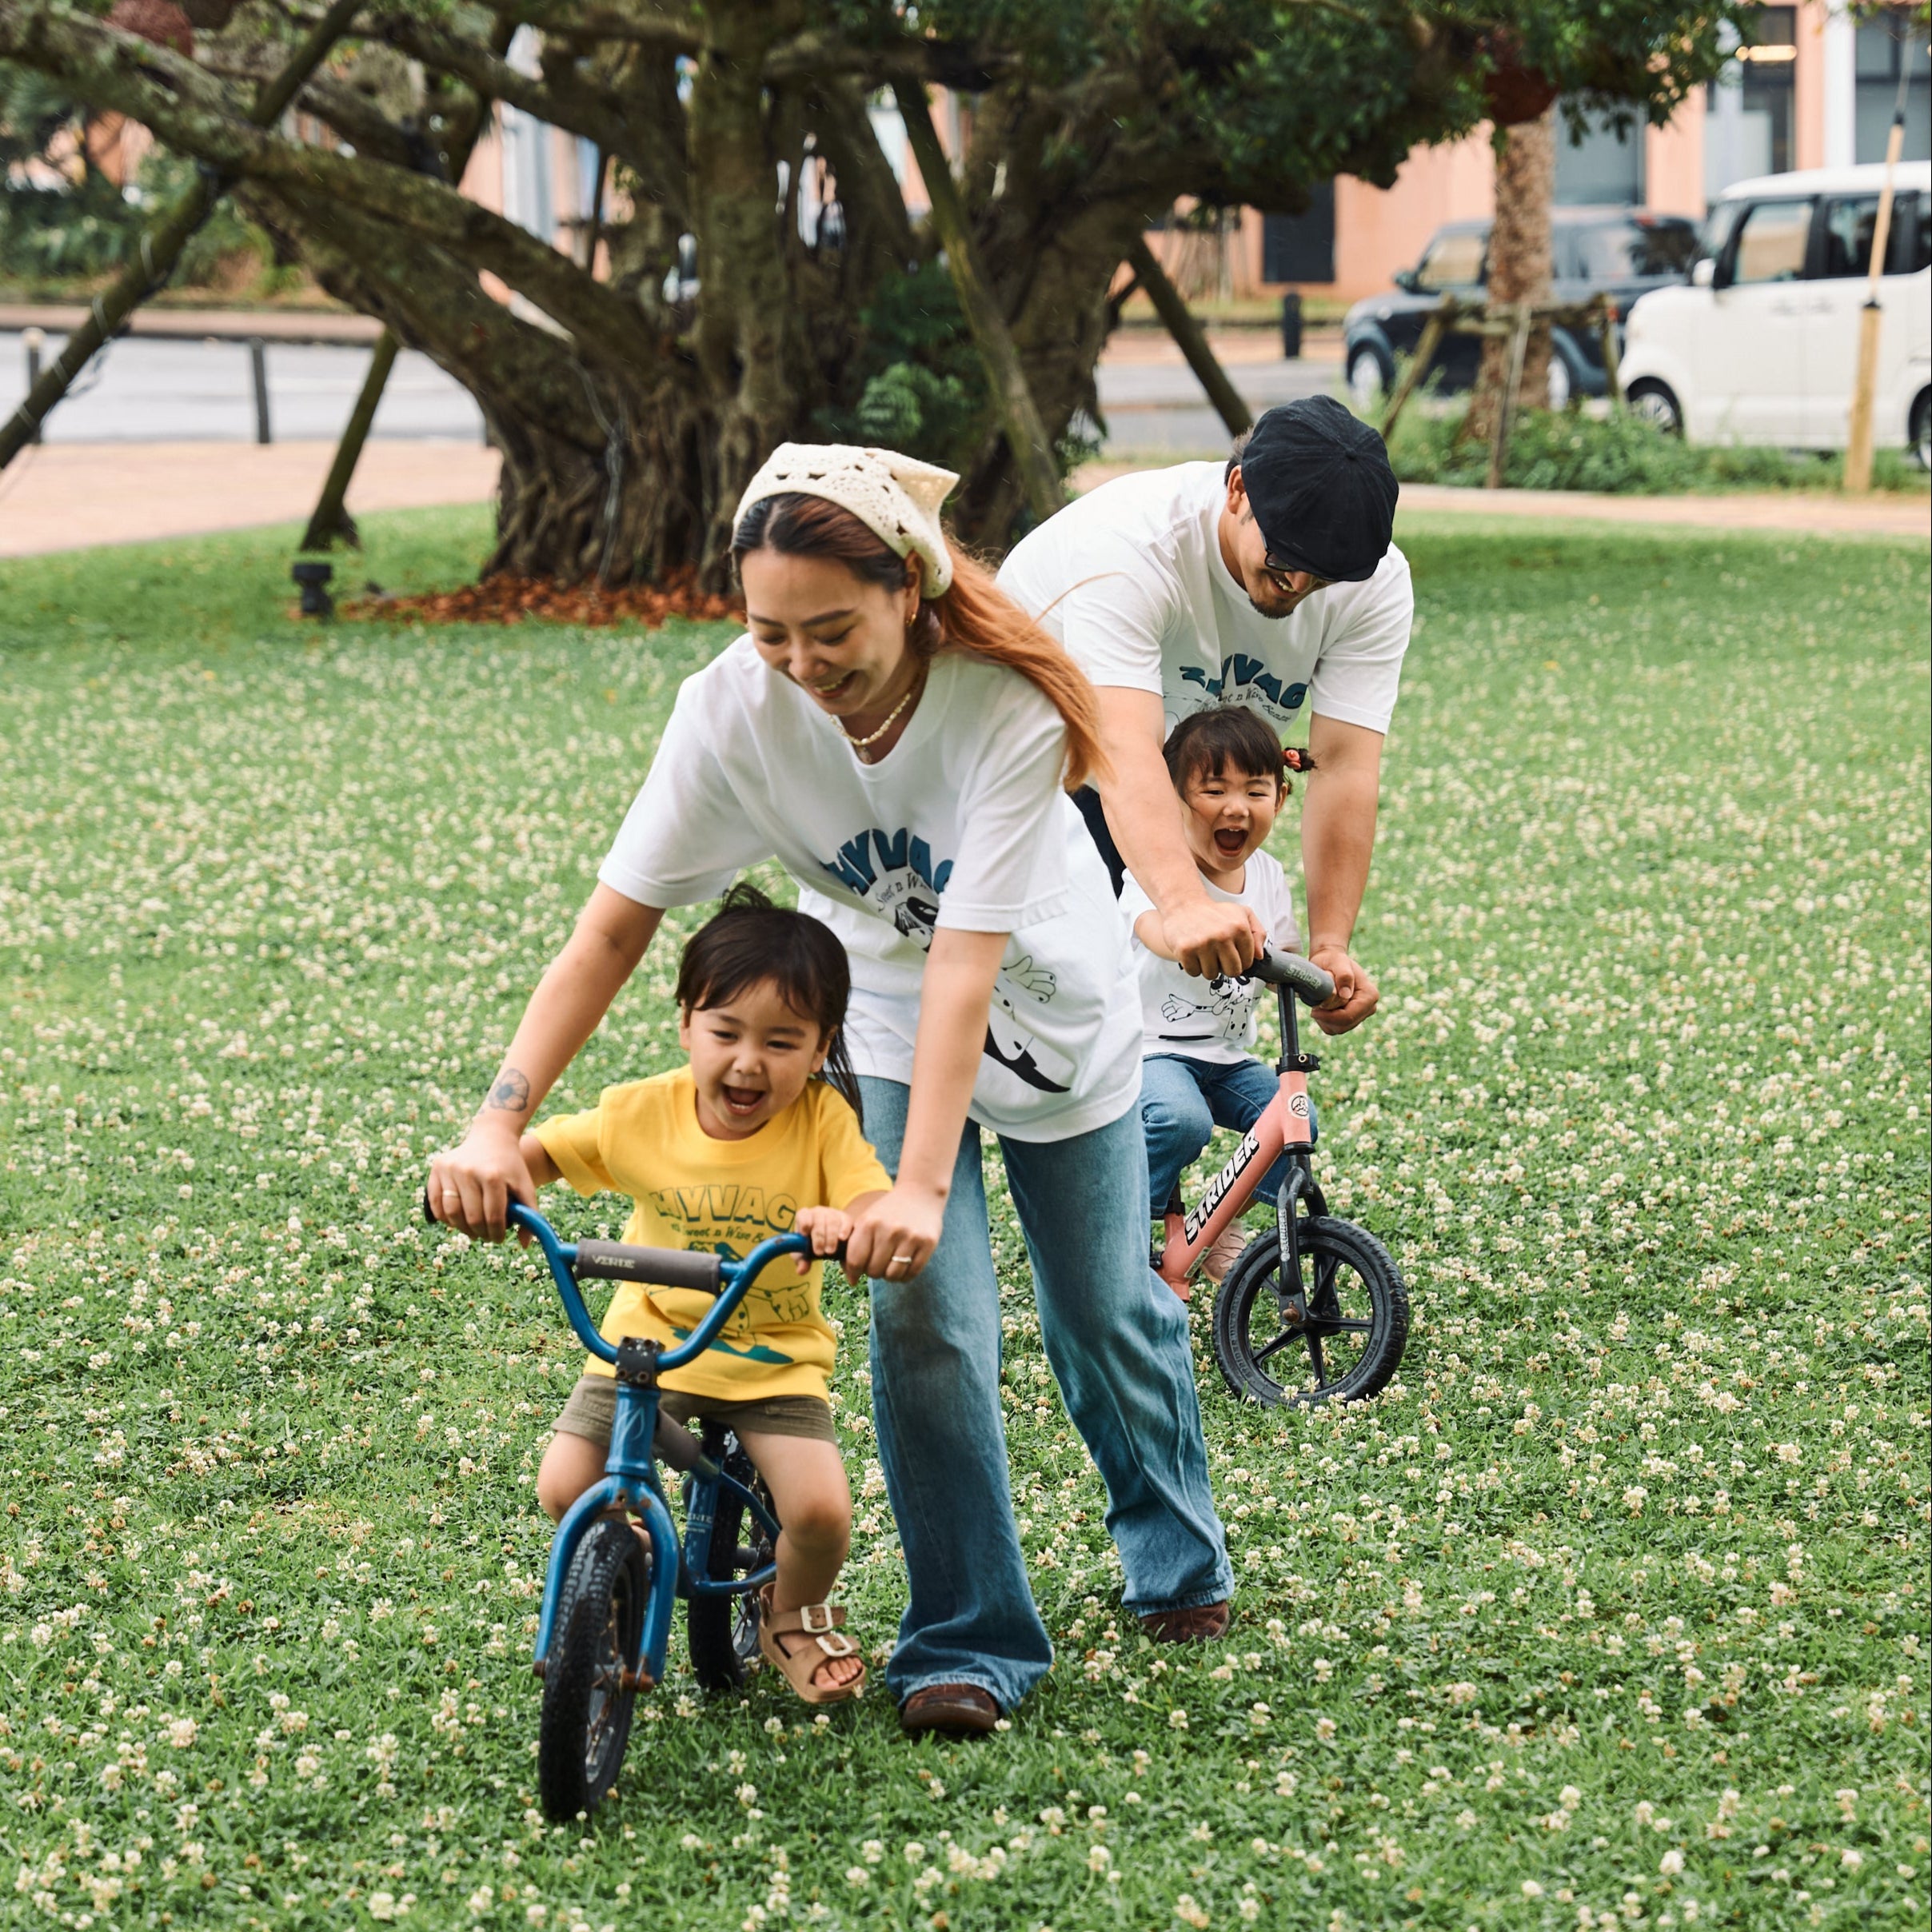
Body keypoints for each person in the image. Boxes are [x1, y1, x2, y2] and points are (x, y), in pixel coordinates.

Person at [426, 443, 1231, 1740]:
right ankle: (968, 1638)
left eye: (833, 630)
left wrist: (919, 1182)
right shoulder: (732, 711)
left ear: (910, 588)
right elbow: (611, 933)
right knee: (928, 1318)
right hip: (889, 1011)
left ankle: (1176, 1559)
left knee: (1102, 1316)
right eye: (769, 631)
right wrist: (500, 1115)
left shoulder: (1002, 704)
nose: (801, 664)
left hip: (1052, 1012)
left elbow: (972, 958)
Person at [523, 885, 890, 1704]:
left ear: (822, 1046)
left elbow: (869, 1196)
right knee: (566, 1484)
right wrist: (498, 1177)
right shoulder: (641, 1113)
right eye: (725, 1032)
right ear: (686, 1023)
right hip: (651, 1343)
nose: (748, 1061)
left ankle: (787, 1610)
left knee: (822, 1511)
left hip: (771, 1359)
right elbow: (540, 1150)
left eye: (783, 1041)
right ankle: (621, 1574)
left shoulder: (823, 1122)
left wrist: (853, 1222)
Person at [997, 394, 1410, 1037]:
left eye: (1322, 577)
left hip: (1171, 773)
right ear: (1238, 489)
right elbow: (1123, 750)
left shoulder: (1375, 583)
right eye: (1284, 561)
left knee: (1150, 1032)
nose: (1298, 587)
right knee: (1062, 1013)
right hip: (1032, 755)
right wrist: (1183, 903)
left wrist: (1330, 945)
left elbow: (1344, 766)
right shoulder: (1134, 547)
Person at [1124, 708, 1303, 1284]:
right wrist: (1186, 930)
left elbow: (1288, 959)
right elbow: (1151, 928)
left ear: (1280, 798)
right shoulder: (1152, 870)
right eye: (1214, 789)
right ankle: (1114, 1227)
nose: (1236, 807)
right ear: (1172, 801)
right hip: (1153, 1049)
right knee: (1181, 1120)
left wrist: (1320, 976)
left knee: (1297, 1122)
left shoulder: (1270, 875)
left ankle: (1218, 1221)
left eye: (1256, 790)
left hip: (1225, 1055)